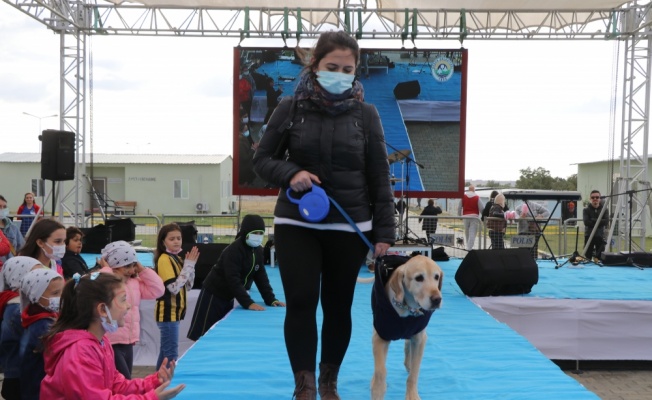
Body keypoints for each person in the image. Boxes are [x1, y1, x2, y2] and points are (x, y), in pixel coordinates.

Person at [253, 31, 395, 400]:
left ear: (355, 71)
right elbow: (261, 160)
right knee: (300, 302)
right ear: (314, 65)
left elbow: (380, 176)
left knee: (338, 307)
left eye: (348, 69)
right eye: (332, 67)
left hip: (351, 226)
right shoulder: (290, 107)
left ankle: (329, 382)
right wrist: (291, 174)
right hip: (297, 223)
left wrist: (384, 233)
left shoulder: (367, 114)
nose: (340, 74)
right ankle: (305, 386)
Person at [40, 272, 185, 399]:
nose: (128, 306)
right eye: (123, 299)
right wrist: (150, 398)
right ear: (102, 309)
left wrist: (153, 382)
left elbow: (117, 385)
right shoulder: (80, 352)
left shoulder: (101, 342)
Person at [187, 214, 285, 341]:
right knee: (203, 334)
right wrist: (248, 303)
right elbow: (233, 280)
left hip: (228, 296)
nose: (258, 236)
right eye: (254, 232)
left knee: (219, 332)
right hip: (213, 295)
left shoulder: (258, 251)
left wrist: (270, 299)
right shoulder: (233, 251)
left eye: (260, 233)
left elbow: (261, 276)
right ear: (245, 232)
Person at [99, 241, 164, 378]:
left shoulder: (135, 283)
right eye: (127, 266)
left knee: (124, 381)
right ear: (114, 266)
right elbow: (101, 284)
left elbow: (158, 290)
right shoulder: (104, 279)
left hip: (128, 341)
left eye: (133, 265)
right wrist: (106, 270)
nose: (131, 270)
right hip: (111, 341)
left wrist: (142, 269)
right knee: (124, 380)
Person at [154, 223, 199, 370]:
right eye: (171, 239)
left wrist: (190, 266)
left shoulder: (177, 258)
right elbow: (173, 288)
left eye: (178, 238)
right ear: (163, 242)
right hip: (168, 313)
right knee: (171, 355)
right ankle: (164, 387)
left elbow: (188, 286)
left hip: (175, 314)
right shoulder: (164, 259)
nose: (176, 241)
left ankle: (154, 385)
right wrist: (188, 267)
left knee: (165, 354)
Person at [0, 256, 44, 400]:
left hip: (18, 375)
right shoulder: (17, 309)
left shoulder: (19, 304)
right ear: (19, 279)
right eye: (35, 276)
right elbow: (38, 340)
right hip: (21, 378)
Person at [18, 268, 63, 400]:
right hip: (40, 389)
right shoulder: (43, 325)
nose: (60, 297)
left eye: (62, 292)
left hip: (34, 386)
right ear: (36, 295)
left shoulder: (35, 315)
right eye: (55, 293)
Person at [583, 190, 609, 262]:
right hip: (589, 235)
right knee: (587, 257)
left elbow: (606, 222)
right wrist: (600, 221)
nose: (595, 199)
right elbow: (586, 222)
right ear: (590, 199)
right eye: (593, 197)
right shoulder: (586, 210)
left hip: (600, 236)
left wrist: (593, 220)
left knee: (600, 258)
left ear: (600, 199)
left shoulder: (605, 210)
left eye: (597, 197)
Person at [0, 195, 25, 266]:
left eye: (4, 207)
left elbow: (21, 248)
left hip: (12, 268)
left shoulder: (13, 228)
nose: (2, 209)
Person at [458, 185, 484, 251]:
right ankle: (469, 248)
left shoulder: (463, 197)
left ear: (468, 189)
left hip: (465, 216)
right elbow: (482, 208)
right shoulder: (477, 197)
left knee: (467, 232)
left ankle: (468, 246)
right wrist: (483, 217)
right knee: (472, 232)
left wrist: (459, 216)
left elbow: (459, 207)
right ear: (474, 190)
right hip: (474, 217)